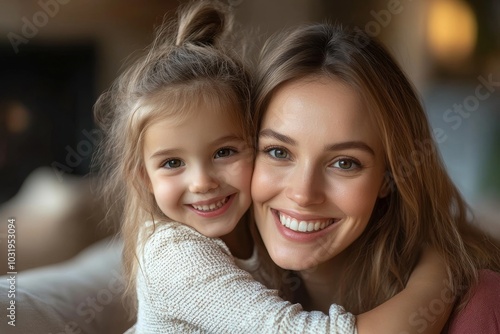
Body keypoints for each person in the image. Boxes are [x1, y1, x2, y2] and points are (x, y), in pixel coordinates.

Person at [93, 1, 456, 333]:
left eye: (224, 153)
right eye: (280, 152)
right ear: (143, 177)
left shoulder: (254, 236)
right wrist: (439, 278)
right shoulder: (175, 255)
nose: (202, 182)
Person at [250, 22, 500, 333]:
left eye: (344, 163)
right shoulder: (205, 283)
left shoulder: (481, 308)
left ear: (389, 176)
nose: (303, 193)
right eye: (278, 152)